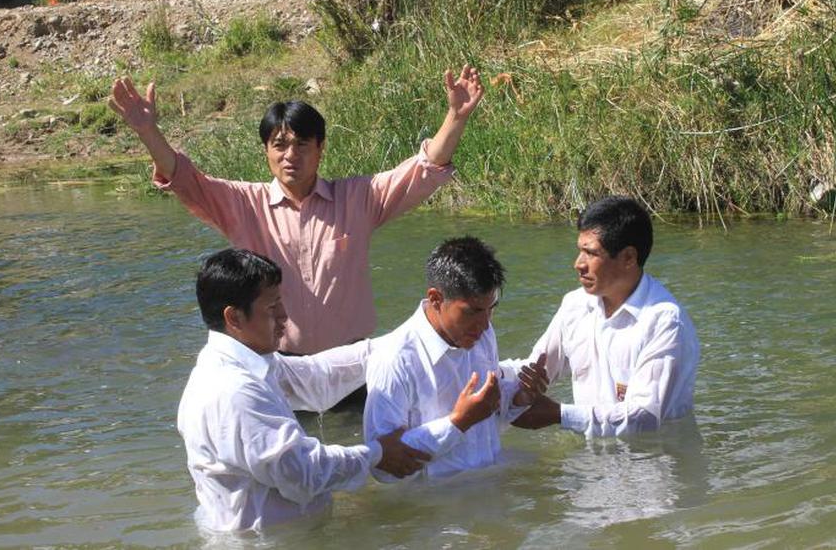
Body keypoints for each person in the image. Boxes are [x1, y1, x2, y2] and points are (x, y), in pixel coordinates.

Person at [108, 66, 484, 357]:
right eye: (280, 144)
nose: (291, 155)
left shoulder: (358, 198)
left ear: (320, 149)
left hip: (352, 362)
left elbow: (423, 170)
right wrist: (147, 131)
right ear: (266, 152)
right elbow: (183, 179)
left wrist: (457, 117)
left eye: (303, 144)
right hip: (279, 365)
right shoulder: (243, 204)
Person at [179, 248, 503, 532]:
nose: (285, 316)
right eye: (273, 307)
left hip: (293, 531)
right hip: (266, 541)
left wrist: (408, 339)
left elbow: (317, 379)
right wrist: (376, 454)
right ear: (234, 318)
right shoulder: (233, 390)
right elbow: (302, 472)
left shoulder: (253, 363)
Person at [504, 196, 699, 437]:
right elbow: (537, 369)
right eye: (580, 251)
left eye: (591, 253)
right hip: (590, 456)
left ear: (629, 257)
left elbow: (645, 417)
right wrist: (487, 374)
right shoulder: (575, 305)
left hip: (656, 456)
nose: (578, 264)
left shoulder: (664, 321)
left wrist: (559, 414)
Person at [363, 237, 547, 480]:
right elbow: (381, 468)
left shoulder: (482, 334)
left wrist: (518, 398)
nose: (485, 324)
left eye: (491, 308)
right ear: (436, 299)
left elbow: (487, 416)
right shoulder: (394, 359)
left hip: (490, 485)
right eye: (472, 312)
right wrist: (458, 422)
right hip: (435, 500)